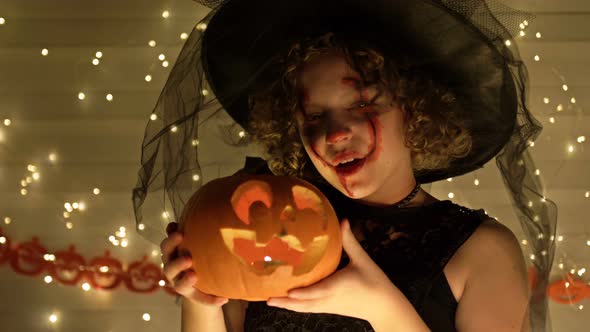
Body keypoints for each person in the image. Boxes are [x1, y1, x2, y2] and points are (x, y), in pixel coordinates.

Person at [134, 0, 557, 331]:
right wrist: (199, 296)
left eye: (361, 103)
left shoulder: (482, 251)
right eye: (313, 116)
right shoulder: (265, 232)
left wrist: (382, 308)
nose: (333, 133)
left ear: (418, 109)